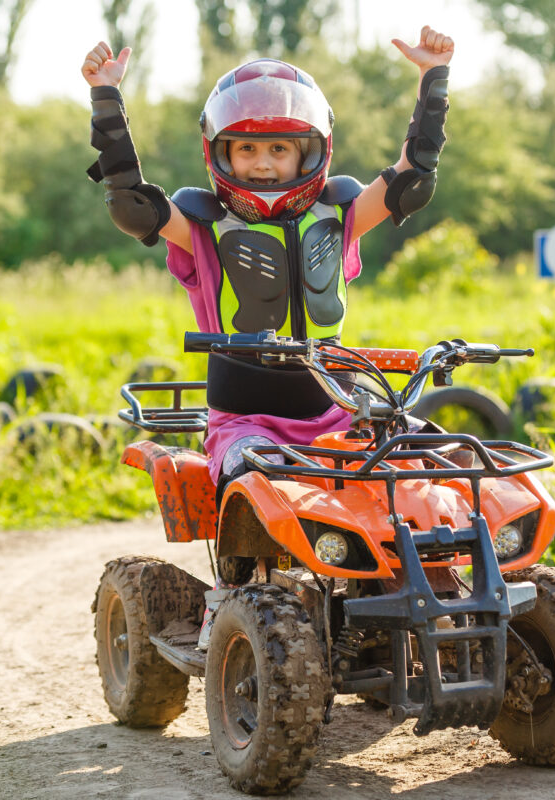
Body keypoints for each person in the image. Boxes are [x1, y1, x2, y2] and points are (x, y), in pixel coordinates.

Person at [82, 28, 453, 644]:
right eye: (247, 151)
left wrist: (432, 79)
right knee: (257, 478)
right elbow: (132, 204)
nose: (263, 164)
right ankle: (229, 603)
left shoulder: (339, 214)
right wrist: (106, 99)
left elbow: (412, 180)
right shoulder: (200, 226)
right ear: (219, 156)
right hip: (246, 420)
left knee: (429, 453)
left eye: (280, 149)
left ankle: (430, 587)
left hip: (337, 409)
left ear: (312, 152)